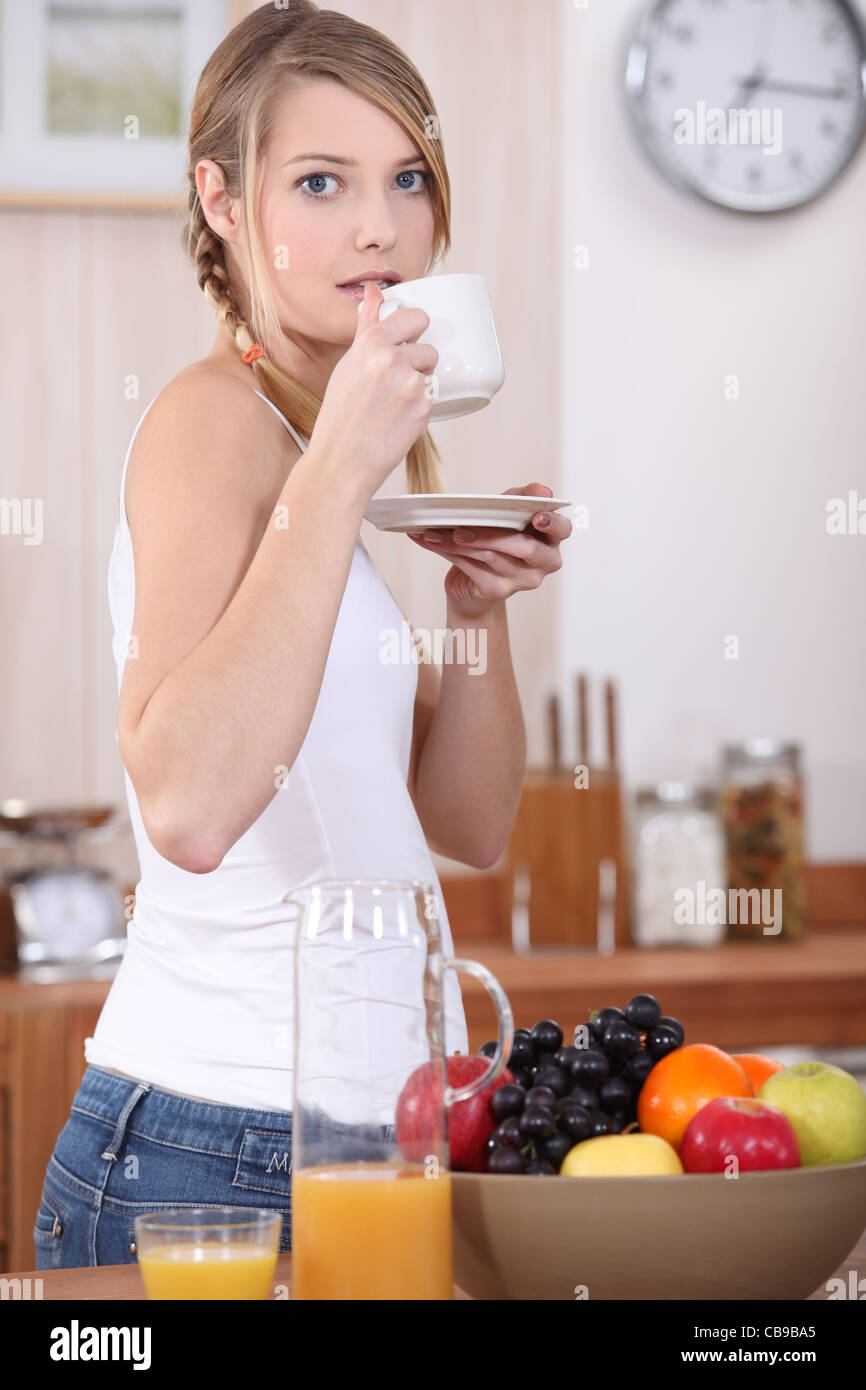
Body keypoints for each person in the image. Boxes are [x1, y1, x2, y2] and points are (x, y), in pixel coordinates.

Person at [32, 0, 571, 1270]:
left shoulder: (304, 442)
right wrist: (336, 473)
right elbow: (189, 807)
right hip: (209, 1145)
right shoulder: (213, 423)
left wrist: (473, 608)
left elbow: (470, 825)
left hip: (358, 1136)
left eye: (405, 181)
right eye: (319, 182)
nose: (378, 226)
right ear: (222, 202)